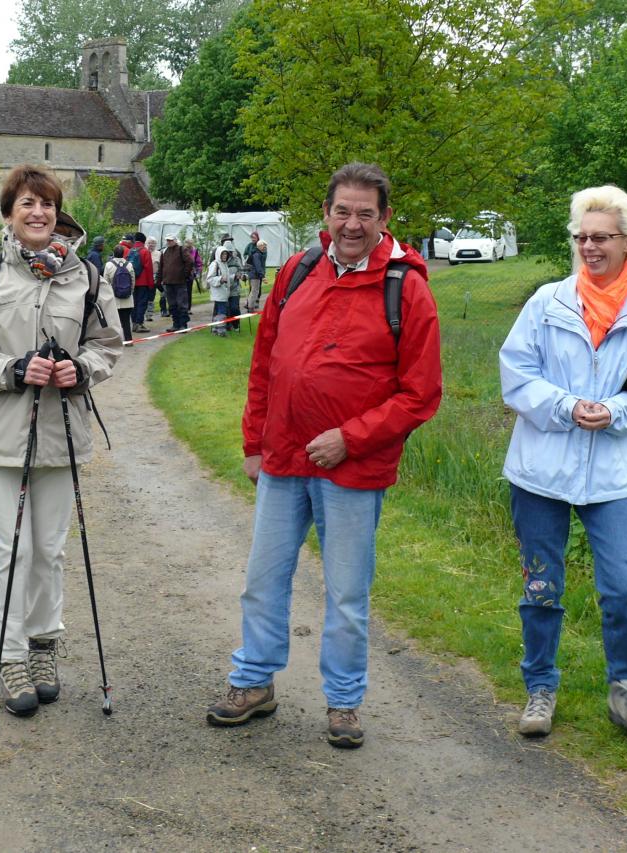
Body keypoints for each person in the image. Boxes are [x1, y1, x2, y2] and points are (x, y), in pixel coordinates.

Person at [205, 162, 442, 748]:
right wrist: (254, 443)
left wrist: (351, 438)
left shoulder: (405, 287)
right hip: (283, 460)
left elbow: (420, 395)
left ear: (385, 218)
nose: (352, 224)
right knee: (262, 580)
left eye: (365, 213)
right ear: (327, 213)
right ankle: (254, 682)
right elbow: (265, 364)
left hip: (354, 469)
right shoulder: (298, 270)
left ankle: (343, 702)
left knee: (347, 593)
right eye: (342, 211)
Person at [0, 164, 122, 718]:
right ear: (9, 214)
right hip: (1, 438)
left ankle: (44, 647)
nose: (38, 213)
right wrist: (14, 369)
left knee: (50, 549)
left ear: (58, 212)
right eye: (26, 204)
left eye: (46, 204)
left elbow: (108, 344)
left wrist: (81, 370)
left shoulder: (88, 278)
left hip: (61, 437)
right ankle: (10, 655)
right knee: (13, 550)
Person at [500, 185, 627, 745]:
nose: (589, 247)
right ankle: (540, 687)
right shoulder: (545, 305)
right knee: (542, 585)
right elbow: (517, 378)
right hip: (540, 472)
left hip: (612, 479)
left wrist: (614, 411)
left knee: (623, 586)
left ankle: (626, 692)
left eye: (601, 238)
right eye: (582, 237)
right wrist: (569, 407)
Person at [157, 234, 194, 332]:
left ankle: (183, 325)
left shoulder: (181, 249)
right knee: (172, 304)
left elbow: (190, 261)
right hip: (168, 282)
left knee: (181, 304)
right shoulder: (165, 251)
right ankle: (175, 324)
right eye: (167, 240)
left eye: (170, 240)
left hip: (180, 282)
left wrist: (185, 274)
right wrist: (158, 280)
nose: (169, 242)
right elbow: (161, 267)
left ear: (175, 241)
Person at [105, 244, 136, 342]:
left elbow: (106, 281)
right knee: (126, 321)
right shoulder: (129, 264)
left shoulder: (109, 265)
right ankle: (128, 340)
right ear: (123, 253)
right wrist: (130, 291)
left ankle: (117, 342)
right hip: (127, 298)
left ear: (114, 253)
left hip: (114, 298)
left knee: (115, 322)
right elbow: (133, 280)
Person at [206, 247, 238, 337]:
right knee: (222, 311)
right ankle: (221, 330)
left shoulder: (224, 264)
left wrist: (234, 277)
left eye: (226, 254)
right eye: (223, 254)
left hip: (224, 292)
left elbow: (226, 278)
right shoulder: (215, 264)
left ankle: (216, 329)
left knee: (220, 311)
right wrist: (220, 279)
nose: (224, 256)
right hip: (218, 292)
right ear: (218, 254)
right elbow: (209, 278)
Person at [130, 231, 154, 333]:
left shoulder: (131, 250)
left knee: (133, 303)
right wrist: (151, 284)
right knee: (142, 303)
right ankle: (140, 324)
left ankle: (134, 324)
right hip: (143, 282)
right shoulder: (145, 251)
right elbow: (149, 269)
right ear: (144, 241)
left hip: (133, 281)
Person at [245, 239, 268, 312]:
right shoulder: (257, 254)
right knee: (255, 291)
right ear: (260, 246)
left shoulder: (257, 253)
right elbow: (258, 266)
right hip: (255, 275)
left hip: (254, 275)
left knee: (254, 291)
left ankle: (248, 304)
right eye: (264, 246)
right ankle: (250, 307)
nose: (265, 248)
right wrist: (263, 276)